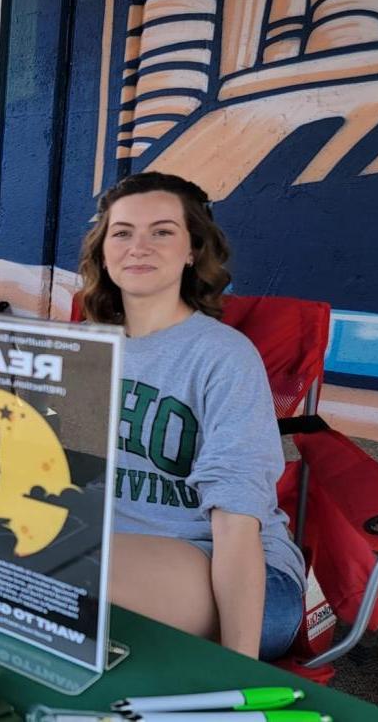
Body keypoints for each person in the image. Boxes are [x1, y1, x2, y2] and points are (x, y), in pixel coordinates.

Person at [76, 171, 305, 660]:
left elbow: (237, 523)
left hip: (240, 579)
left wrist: (235, 675)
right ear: (103, 251)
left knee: (48, 567)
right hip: (110, 557)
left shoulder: (223, 356)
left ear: (192, 250)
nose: (139, 246)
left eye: (161, 231)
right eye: (122, 232)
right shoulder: (86, 350)